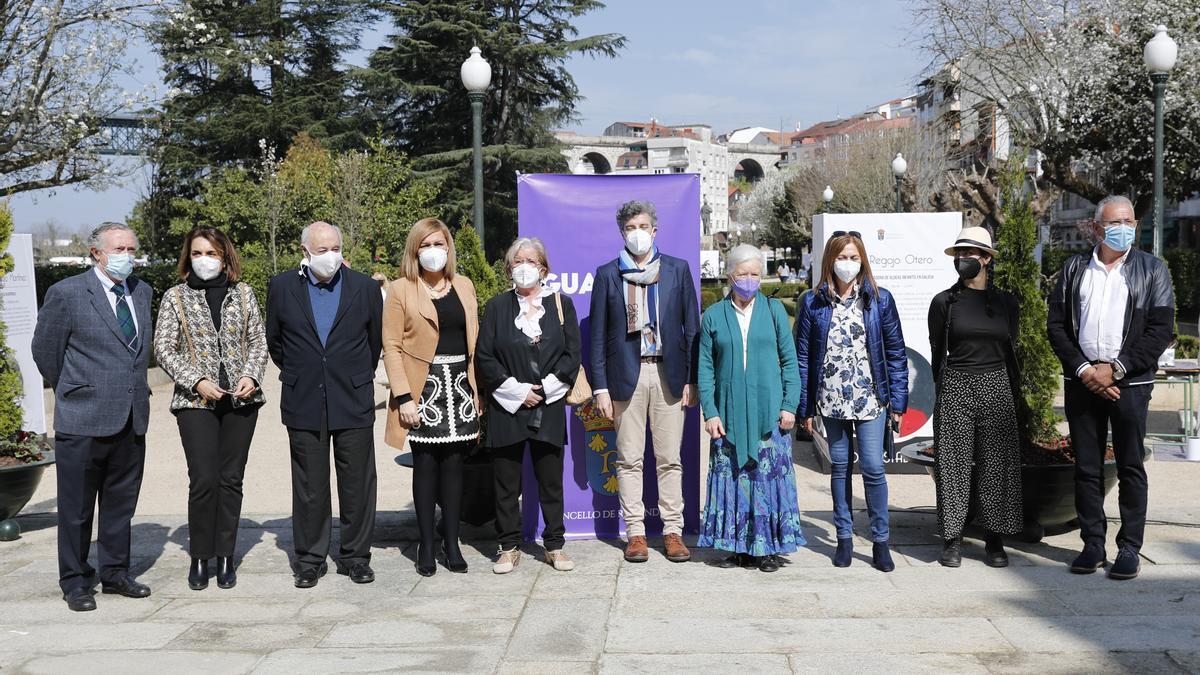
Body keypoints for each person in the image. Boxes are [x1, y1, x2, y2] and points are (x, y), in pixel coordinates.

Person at [1048, 196, 1175, 580]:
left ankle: (1130, 548)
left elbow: (1160, 331)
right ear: (1098, 227)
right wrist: (1087, 370)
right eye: (1118, 221)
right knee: (1087, 468)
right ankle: (1092, 544)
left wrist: (1116, 370)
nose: (1126, 228)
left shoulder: (1153, 270)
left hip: (1131, 385)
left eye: (1131, 222)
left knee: (1130, 466)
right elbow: (1057, 327)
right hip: (1082, 381)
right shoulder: (1074, 269)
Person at [33, 222, 154, 612]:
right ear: (96, 253)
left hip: (131, 417)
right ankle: (76, 581)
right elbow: (46, 352)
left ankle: (116, 572)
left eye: (132, 250)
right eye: (119, 249)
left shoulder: (142, 291)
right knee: (77, 508)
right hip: (83, 418)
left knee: (121, 504)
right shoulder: (67, 293)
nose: (127, 257)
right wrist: (75, 388)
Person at [265, 221, 382, 588]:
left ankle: (356, 556)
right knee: (309, 484)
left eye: (335, 248)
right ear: (305, 252)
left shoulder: (364, 287)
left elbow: (374, 342)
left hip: (353, 395)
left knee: (357, 482)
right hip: (304, 398)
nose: (330, 256)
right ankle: (311, 558)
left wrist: (350, 374)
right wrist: (310, 370)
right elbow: (276, 343)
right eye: (321, 250)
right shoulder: (282, 287)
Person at [153, 227, 267, 591]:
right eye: (199, 253)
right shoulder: (175, 298)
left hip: (241, 399)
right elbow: (164, 349)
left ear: (225, 257)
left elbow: (258, 341)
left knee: (231, 479)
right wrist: (196, 380)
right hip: (195, 401)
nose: (206, 260)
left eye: (213, 253)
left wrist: (251, 374)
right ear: (189, 257)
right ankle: (200, 556)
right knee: (204, 478)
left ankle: (226, 556)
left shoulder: (244, 294)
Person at [590, 199, 700, 563]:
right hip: (626, 377)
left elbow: (692, 329)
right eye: (630, 228)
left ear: (655, 230)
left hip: (668, 375)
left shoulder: (677, 270)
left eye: (643, 226)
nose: (637, 233)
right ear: (623, 233)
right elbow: (598, 336)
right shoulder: (608, 274)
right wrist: (601, 387)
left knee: (670, 459)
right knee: (628, 460)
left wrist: (692, 379)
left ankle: (672, 531)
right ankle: (635, 533)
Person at [796, 231, 908, 572]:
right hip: (831, 399)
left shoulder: (879, 299)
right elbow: (803, 356)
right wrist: (804, 407)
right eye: (842, 257)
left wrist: (899, 402)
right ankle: (844, 538)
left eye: (853, 257)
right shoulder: (812, 302)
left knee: (873, 466)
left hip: (870, 399)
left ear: (863, 260)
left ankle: (880, 541)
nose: (848, 263)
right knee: (840, 467)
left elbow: (895, 351)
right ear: (830, 260)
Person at [476, 238, 581, 574]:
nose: (524, 267)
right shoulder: (495, 307)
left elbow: (571, 355)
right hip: (507, 407)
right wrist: (517, 391)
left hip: (548, 406)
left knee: (550, 480)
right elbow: (485, 356)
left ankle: (554, 545)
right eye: (517, 261)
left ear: (543, 268)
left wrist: (546, 389)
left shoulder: (562, 305)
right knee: (506, 481)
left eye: (531, 261)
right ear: (509, 269)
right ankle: (508, 546)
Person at [381, 218, 480, 576]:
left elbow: (474, 339)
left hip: (461, 386)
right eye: (425, 245)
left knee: (455, 466)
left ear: (449, 248)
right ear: (414, 250)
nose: (433, 251)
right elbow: (391, 346)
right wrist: (404, 396)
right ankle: (425, 543)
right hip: (422, 387)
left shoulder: (465, 286)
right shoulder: (400, 289)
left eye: (439, 244)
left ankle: (451, 542)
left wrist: (478, 389)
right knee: (425, 466)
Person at [697, 244, 804, 573]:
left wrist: (789, 405)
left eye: (755, 274)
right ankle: (735, 546)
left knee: (765, 479)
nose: (748, 279)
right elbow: (705, 369)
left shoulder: (773, 311)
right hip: (727, 414)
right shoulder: (714, 315)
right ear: (730, 275)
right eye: (742, 273)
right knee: (732, 479)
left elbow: (790, 362)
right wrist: (710, 412)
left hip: (768, 412)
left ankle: (767, 547)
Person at [927, 226, 1023, 568]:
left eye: (970, 254)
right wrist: (943, 392)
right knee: (952, 465)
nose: (964, 260)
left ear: (986, 259)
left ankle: (994, 539)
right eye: (959, 254)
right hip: (956, 385)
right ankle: (952, 540)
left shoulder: (1006, 303)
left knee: (996, 466)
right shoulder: (943, 303)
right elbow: (938, 350)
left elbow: (1011, 346)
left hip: (995, 384)